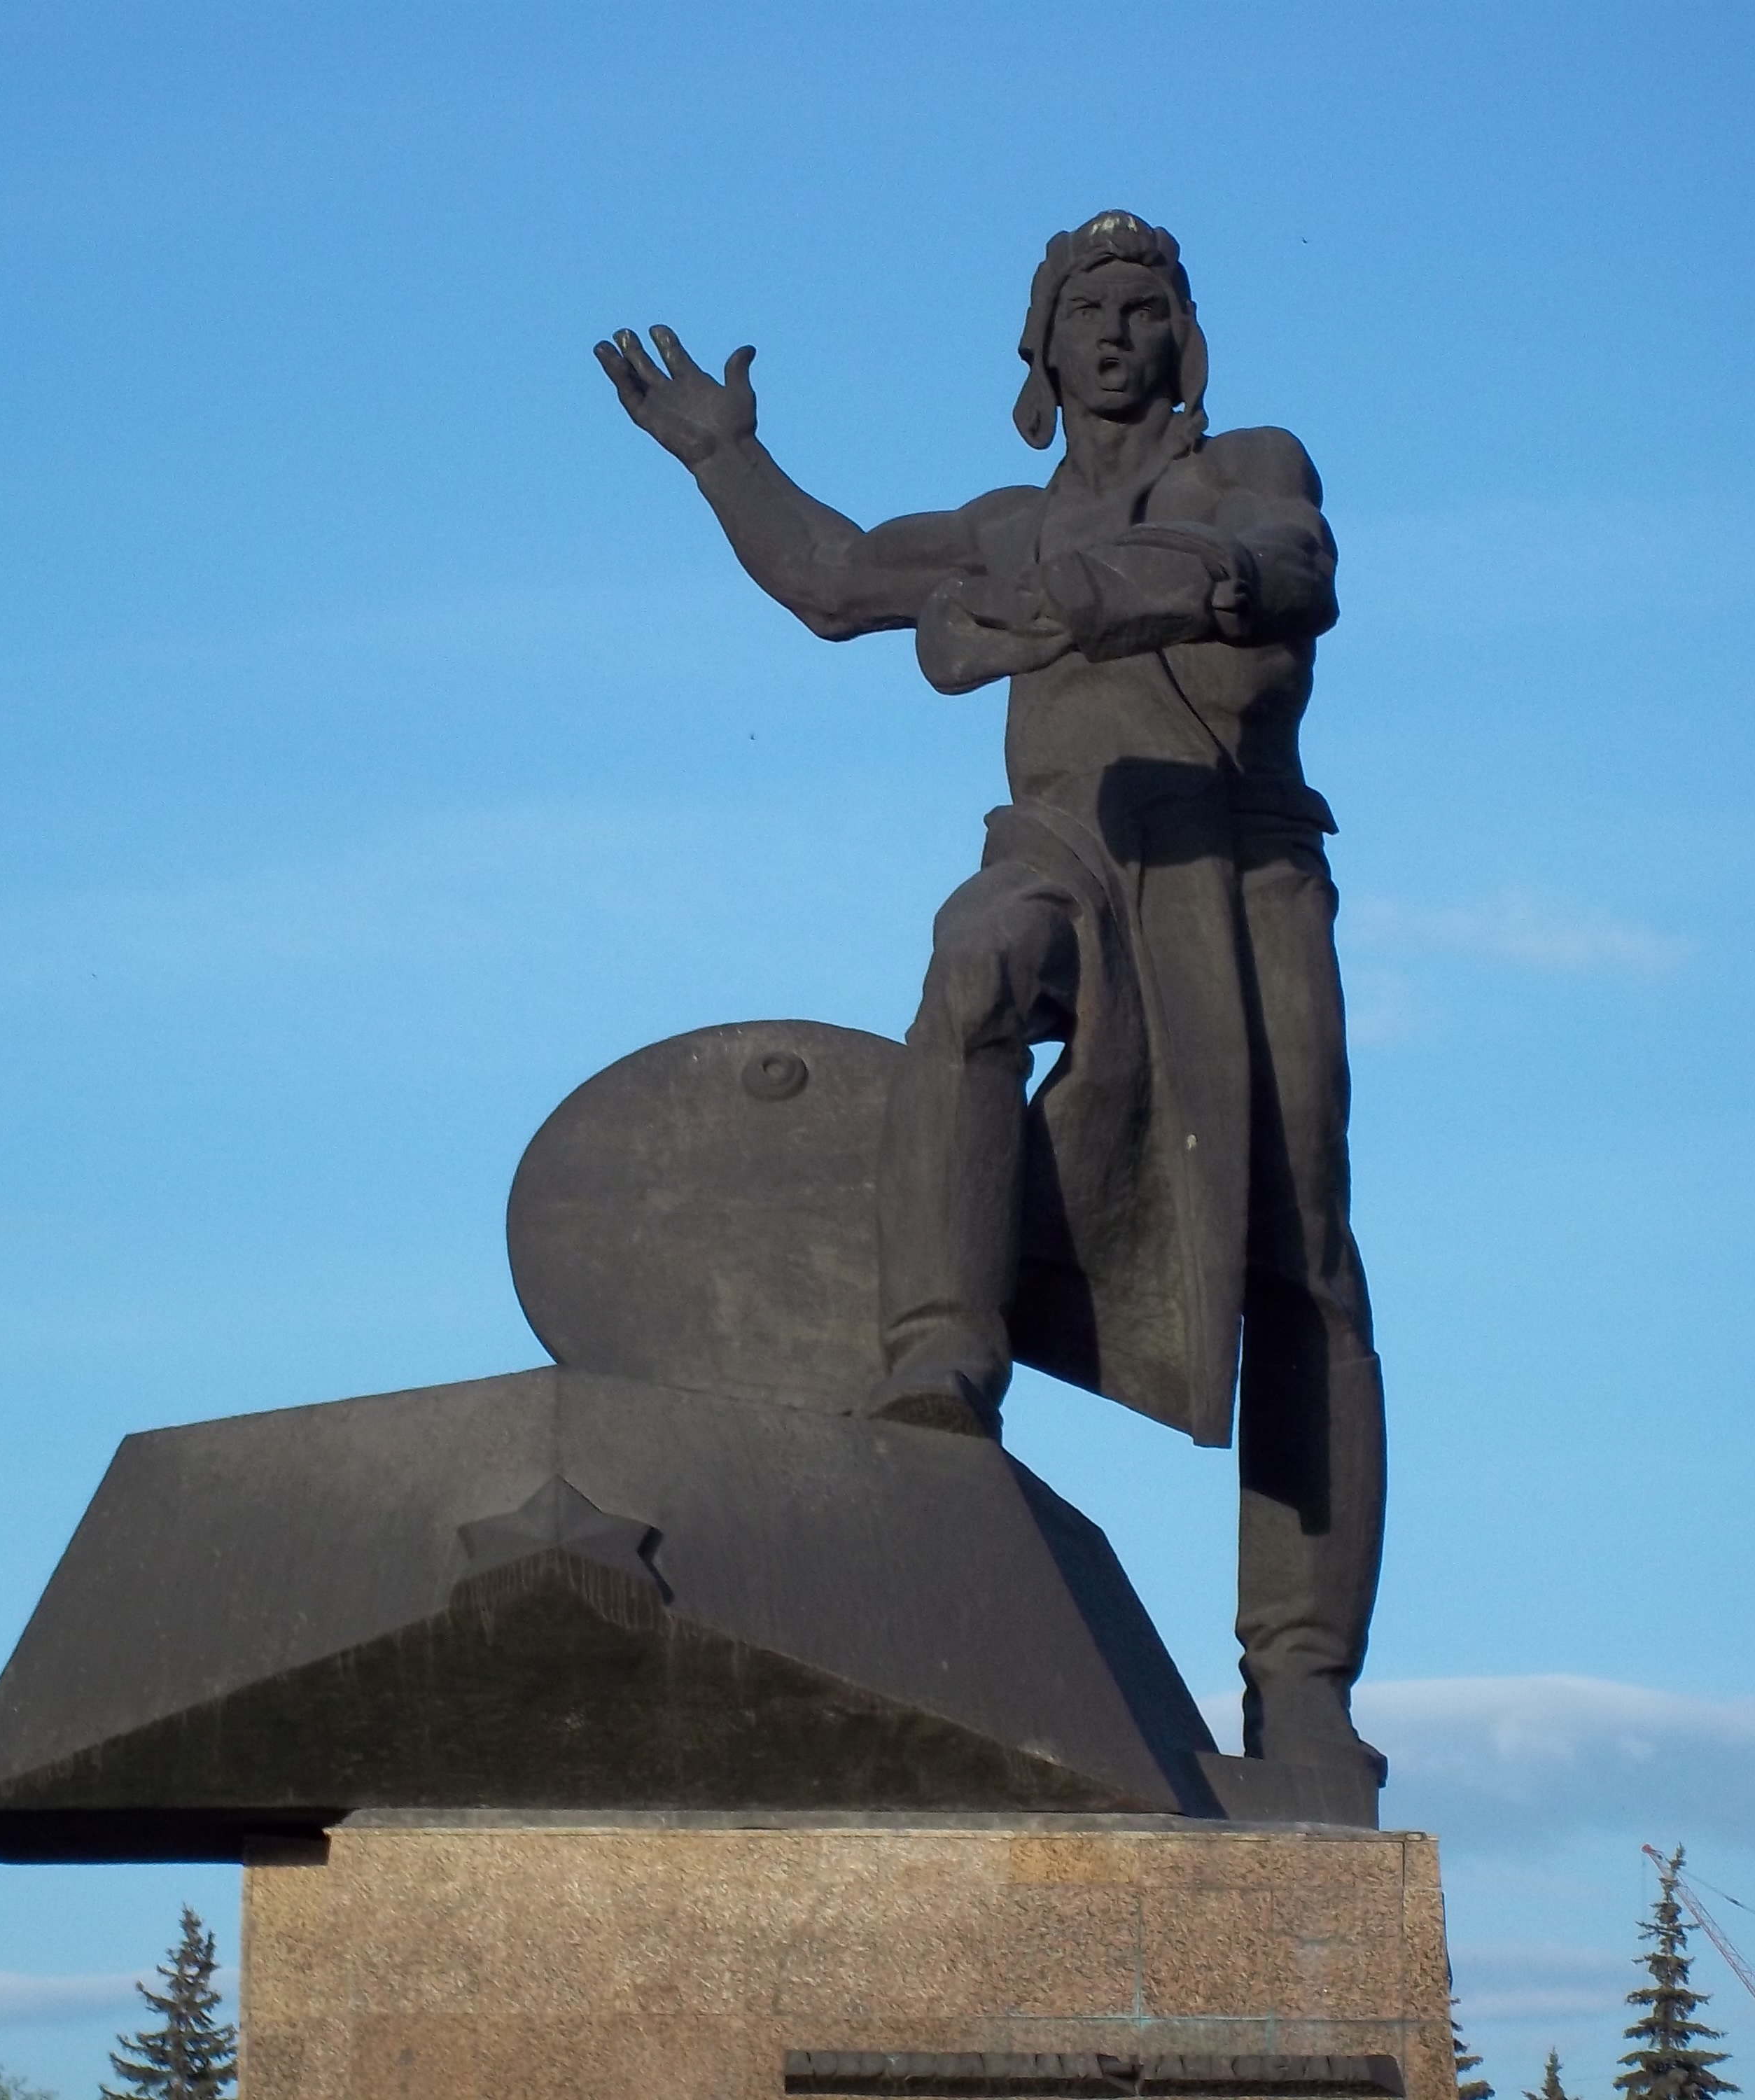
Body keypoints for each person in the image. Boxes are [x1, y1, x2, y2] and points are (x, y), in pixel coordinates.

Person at [595, 211, 1384, 1774]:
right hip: (1067, 852)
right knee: (973, 964)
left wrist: (1107, 598)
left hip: (1233, 881)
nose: (1111, 331)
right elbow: (831, 581)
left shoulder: (1248, 468)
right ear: (1037, 348)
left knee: (1295, 1260)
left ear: (1182, 339)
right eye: (1082, 308)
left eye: (1141, 306)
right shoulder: (1001, 523)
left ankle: (1298, 1684)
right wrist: (720, 461)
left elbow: (1288, 570)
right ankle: (942, 1354)